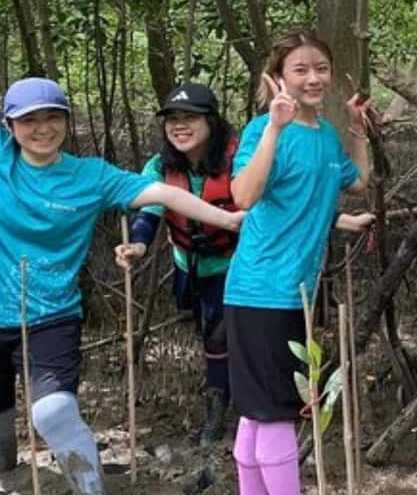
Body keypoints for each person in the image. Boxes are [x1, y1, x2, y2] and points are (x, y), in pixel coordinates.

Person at [0, 77, 243, 494]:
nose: (42, 129)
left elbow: (162, 193)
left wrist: (227, 219)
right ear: (9, 126)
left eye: (52, 118)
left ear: (66, 121)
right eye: (29, 121)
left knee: (54, 413)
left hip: (49, 315)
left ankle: (90, 489)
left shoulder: (90, 176)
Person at [112, 83, 374, 447]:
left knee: (224, 335)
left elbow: (287, 203)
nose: (180, 127)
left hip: (241, 266)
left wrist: (338, 219)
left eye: (190, 118)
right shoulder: (160, 166)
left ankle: (223, 413)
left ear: (212, 121)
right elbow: (151, 210)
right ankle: (235, 405)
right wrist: (138, 244)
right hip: (190, 266)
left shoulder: (241, 153)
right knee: (211, 336)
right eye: (172, 120)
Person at [225, 30, 371, 495]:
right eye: (300, 70)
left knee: (257, 413)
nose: (313, 78)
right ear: (277, 78)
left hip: (296, 290)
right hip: (261, 289)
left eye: (320, 69)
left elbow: (357, 182)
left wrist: (356, 132)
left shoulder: (326, 137)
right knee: (276, 412)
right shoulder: (262, 131)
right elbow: (242, 195)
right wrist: (273, 127)